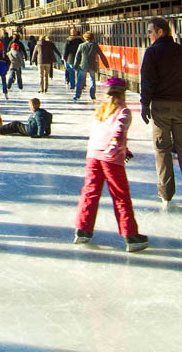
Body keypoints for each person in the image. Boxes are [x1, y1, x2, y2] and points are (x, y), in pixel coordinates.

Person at [73, 77, 147, 252]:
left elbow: (102, 134)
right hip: (110, 158)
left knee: (90, 192)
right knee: (120, 196)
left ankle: (82, 230)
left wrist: (123, 149)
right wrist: (115, 149)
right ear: (122, 93)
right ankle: (131, 235)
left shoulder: (101, 111)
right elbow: (118, 132)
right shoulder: (123, 111)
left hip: (93, 156)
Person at [139, 17, 182, 206]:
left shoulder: (152, 52)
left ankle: (166, 193)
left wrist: (145, 104)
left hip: (161, 106)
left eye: (150, 31)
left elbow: (148, 80)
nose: (148, 35)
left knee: (162, 150)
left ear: (160, 32)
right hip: (181, 105)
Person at [73, 30, 109, 101]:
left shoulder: (81, 45)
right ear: (92, 38)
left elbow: (77, 57)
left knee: (80, 81)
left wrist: (75, 66)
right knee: (92, 80)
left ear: (85, 38)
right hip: (92, 65)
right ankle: (92, 96)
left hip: (83, 65)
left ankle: (77, 95)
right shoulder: (95, 45)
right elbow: (101, 55)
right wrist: (106, 65)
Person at [63, 26, 84, 91]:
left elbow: (66, 49)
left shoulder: (68, 40)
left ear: (71, 33)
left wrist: (64, 58)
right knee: (79, 73)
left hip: (71, 58)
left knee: (71, 73)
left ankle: (72, 86)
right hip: (79, 58)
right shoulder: (80, 40)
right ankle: (79, 85)